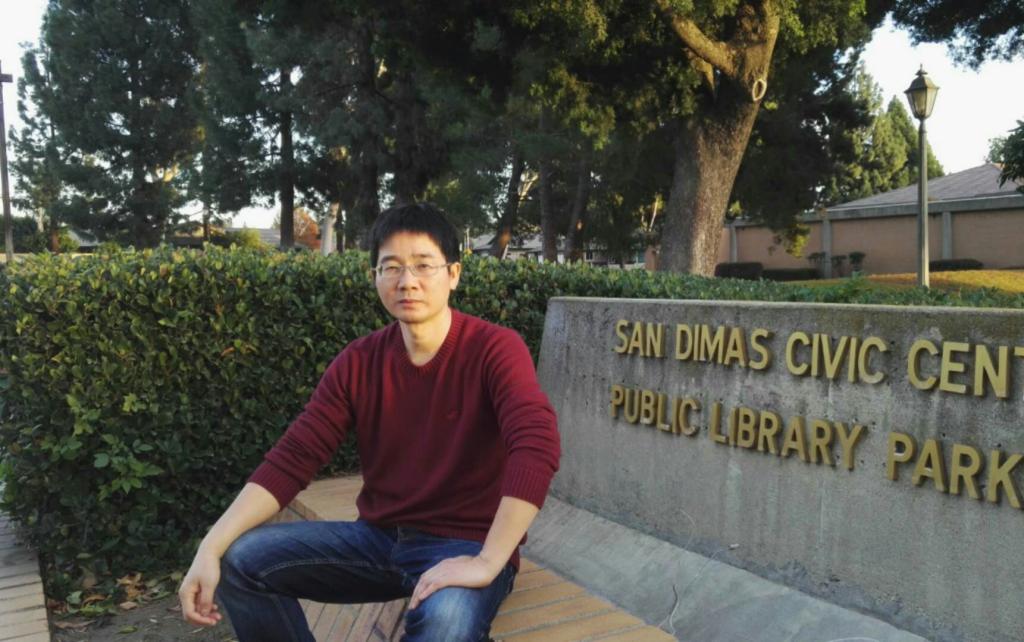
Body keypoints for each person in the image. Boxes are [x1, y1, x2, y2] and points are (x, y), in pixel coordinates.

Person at [177, 203, 561, 642]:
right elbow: (294, 457)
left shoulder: (495, 349)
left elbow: (536, 444)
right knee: (240, 560)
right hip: (377, 542)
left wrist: (490, 561)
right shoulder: (359, 361)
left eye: (423, 265)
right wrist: (210, 545)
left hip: (465, 543)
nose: (407, 281)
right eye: (391, 267)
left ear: (453, 274)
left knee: (446, 623)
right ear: (375, 276)